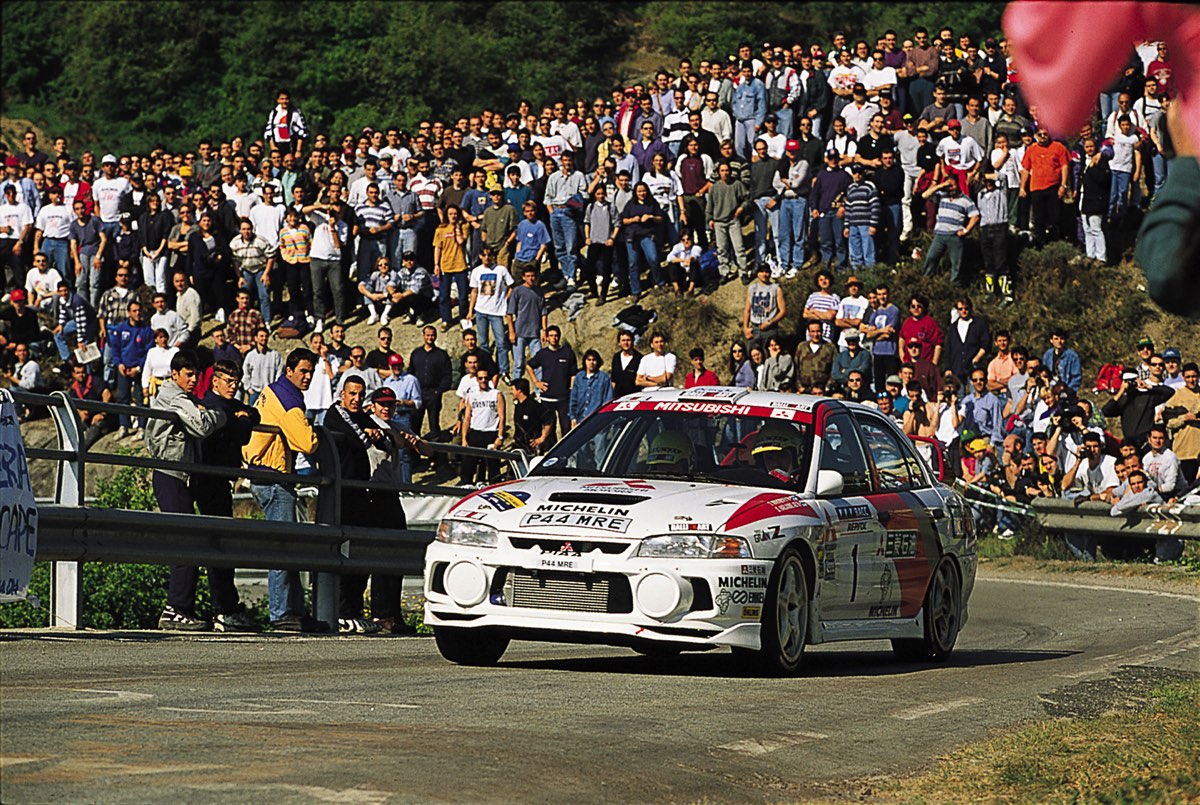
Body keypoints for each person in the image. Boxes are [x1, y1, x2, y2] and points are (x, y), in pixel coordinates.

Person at [243, 348, 325, 631]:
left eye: (311, 372)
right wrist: (315, 432)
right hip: (274, 477)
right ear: (289, 370)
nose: (307, 377)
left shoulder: (273, 390)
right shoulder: (289, 398)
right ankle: (281, 614)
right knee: (282, 548)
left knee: (288, 547)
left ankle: (294, 613)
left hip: (267, 475)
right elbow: (305, 442)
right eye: (303, 371)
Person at [146, 350, 227, 631]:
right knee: (186, 540)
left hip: (178, 473)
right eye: (188, 375)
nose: (193, 380)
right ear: (175, 374)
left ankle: (180, 607)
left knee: (188, 538)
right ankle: (175, 608)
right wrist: (221, 414)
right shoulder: (175, 397)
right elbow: (202, 426)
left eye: (196, 375)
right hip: (171, 473)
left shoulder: (184, 398)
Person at [192, 359, 261, 631]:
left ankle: (226, 607)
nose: (233, 386)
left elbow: (252, 414)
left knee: (222, 543)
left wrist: (244, 418)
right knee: (217, 545)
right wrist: (241, 421)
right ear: (215, 381)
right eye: (228, 381)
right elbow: (239, 430)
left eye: (236, 382)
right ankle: (224, 609)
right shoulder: (212, 403)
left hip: (221, 479)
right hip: (209, 478)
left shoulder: (230, 405)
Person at [325, 374, 390, 634]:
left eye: (361, 395)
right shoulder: (336, 414)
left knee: (360, 551)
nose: (356, 399)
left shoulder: (359, 414)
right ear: (342, 394)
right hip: (343, 493)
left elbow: (384, 441)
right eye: (352, 394)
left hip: (359, 492)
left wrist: (375, 433)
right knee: (344, 552)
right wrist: (370, 433)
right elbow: (361, 439)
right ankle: (342, 611)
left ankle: (353, 610)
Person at [920, 175, 979, 284]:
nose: (951, 188)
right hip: (940, 235)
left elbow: (975, 216)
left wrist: (966, 230)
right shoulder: (942, 196)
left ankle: (955, 285)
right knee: (931, 258)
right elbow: (924, 195)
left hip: (955, 236)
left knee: (957, 263)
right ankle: (926, 281)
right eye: (949, 186)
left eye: (952, 185)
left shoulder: (965, 200)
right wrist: (942, 185)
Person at [460, 365, 505, 485]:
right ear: (477, 379)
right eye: (480, 378)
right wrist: (464, 438)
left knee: (493, 467)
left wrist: (500, 437)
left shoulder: (496, 394)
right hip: (475, 433)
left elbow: (502, 417)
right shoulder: (472, 395)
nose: (483, 381)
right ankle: (466, 487)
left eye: (486, 378)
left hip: (491, 433)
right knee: (469, 465)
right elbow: (467, 418)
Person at [706, 162, 749, 281]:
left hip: (733, 220)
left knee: (739, 247)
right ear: (719, 173)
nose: (725, 173)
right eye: (722, 171)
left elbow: (746, 198)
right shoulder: (715, 187)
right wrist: (709, 219)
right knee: (722, 249)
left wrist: (741, 208)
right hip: (719, 222)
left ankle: (743, 272)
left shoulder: (736, 184)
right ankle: (724, 272)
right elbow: (710, 205)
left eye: (727, 170)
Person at [743, 263, 785, 353]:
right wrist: (745, 328)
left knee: (770, 354)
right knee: (753, 354)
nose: (764, 274)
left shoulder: (776, 288)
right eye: (762, 271)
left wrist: (770, 322)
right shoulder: (752, 288)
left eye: (767, 272)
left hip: (770, 329)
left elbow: (782, 311)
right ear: (758, 273)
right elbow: (747, 310)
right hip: (754, 327)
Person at [512, 378, 557, 454]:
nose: (511, 392)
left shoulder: (535, 406)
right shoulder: (518, 405)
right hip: (519, 444)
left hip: (531, 447)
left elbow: (549, 420)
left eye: (513, 389)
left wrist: (542, 438)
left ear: (519, 391)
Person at [611, 331, 642, 398]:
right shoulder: (616, 358)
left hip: (634, 397)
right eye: (623, 340)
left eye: (628, 340)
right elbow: (613, 380)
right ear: (619, 343)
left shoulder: (640, 358)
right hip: (618, 398)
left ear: (633, 341)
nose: (626, 343)